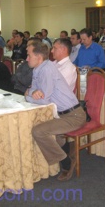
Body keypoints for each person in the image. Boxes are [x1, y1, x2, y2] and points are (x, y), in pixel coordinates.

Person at [26, 41, 85, 182]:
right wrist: (32, 92)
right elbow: (33, 88)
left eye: (29, 55)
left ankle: (66, 163)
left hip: (74, 115)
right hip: (62, 114)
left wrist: (27, 95)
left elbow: (44, 100)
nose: (27, 59)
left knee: (38, 131)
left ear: (38, 57)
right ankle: (69, 154)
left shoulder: (47, 69)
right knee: (51, 131)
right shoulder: (38, 69)